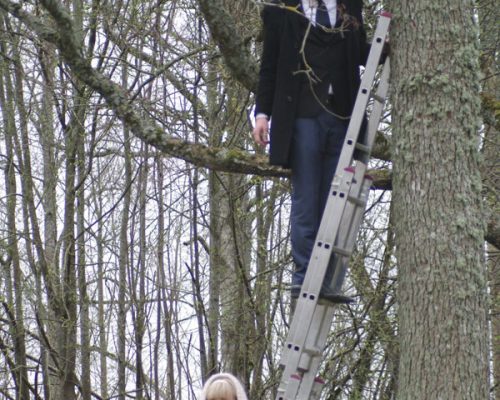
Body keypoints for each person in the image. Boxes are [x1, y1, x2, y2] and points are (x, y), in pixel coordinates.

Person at [253, 0, 371, 303]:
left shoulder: (349, 6)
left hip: (342, 115)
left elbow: (361, 54)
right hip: (302, 117)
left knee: (337, 200)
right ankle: (305, 277)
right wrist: (262, 114)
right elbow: (270, 64)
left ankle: (329, 279)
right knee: (307, 199)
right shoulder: (282, 9)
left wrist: (392, 40)